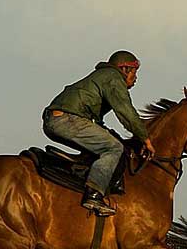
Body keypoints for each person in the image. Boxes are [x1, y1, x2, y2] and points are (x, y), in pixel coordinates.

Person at [42, 50, 154, 216]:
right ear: (124, 69)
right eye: (134, 72)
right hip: (66, 120)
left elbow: (97, 117)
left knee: (110, 143)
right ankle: (93, 195)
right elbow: (126, 113)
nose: (136, 78)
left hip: (57, 120)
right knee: (114, 148)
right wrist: (146, 139)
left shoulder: (103, 77)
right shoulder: (113, 77)